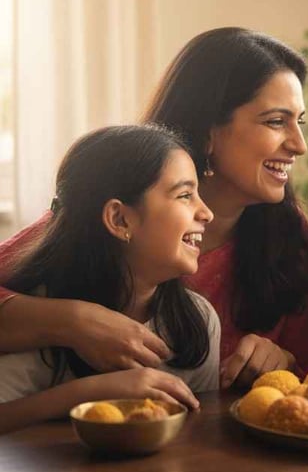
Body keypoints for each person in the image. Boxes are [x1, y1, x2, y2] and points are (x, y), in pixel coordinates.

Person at [0, 28, 308, 388]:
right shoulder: (101, 217)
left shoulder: (289, 235)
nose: (300, 145)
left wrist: (281, 365)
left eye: (300, 121)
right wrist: (74, 321)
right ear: (208, 131)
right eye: (276, 122)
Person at [0, 125, 219, 433]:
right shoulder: (42, 322)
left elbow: (199, 433)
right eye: (185, 195)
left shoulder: (199, 321)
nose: (206, 212)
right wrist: (89, 394)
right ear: (120, 219)